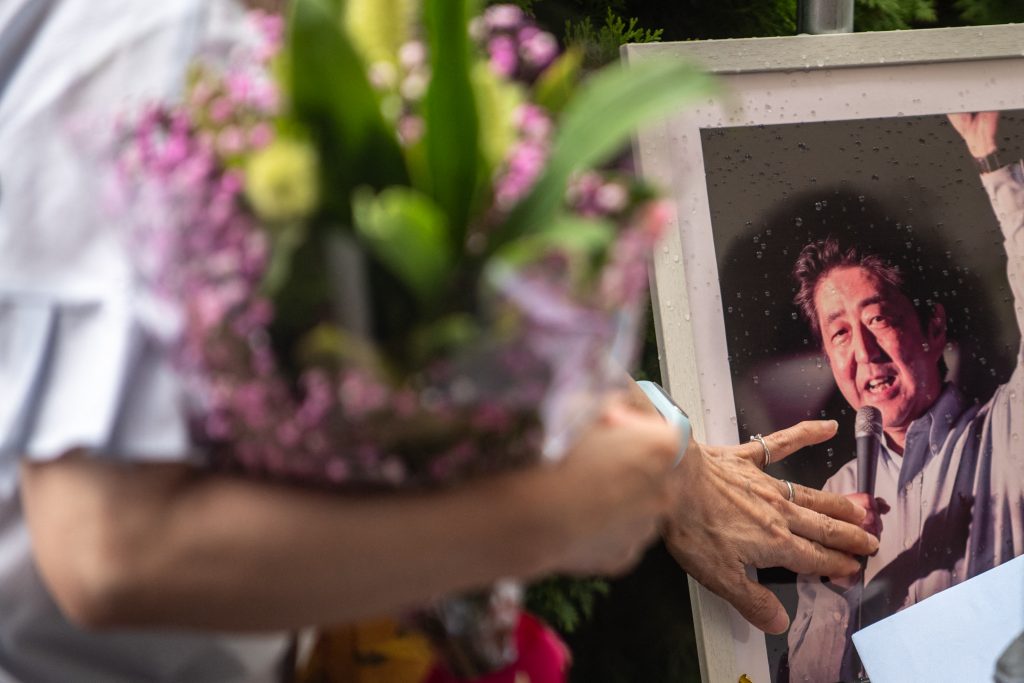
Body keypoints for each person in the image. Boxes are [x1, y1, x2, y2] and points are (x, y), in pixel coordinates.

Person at [0, 1, 877, 681]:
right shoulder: (149, 34)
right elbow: (105, 552)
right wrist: (549, 514)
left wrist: (648, 430)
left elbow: (364, 298)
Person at [786, 111, 1024, 681]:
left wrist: (993, 167)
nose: (863, 351)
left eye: (880, 319)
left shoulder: (1008, 430)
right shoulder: (835, 497)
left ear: (933, 328)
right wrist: (836, 589)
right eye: (839, 332)